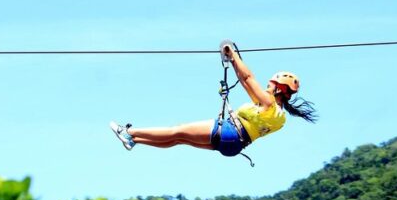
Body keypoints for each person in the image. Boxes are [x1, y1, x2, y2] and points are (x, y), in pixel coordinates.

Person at [110, 42, 317, 159]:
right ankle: (134, 140)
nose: (267, 87)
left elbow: (248, 79)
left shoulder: (269, 103)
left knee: (177, 130)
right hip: (234, 146)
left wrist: (233, 53)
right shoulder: (279, 117)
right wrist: (233, 60)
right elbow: (245, 83)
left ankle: (129, 132)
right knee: (179, 139)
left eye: (271, 85)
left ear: (280, 88)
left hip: (229, 132)